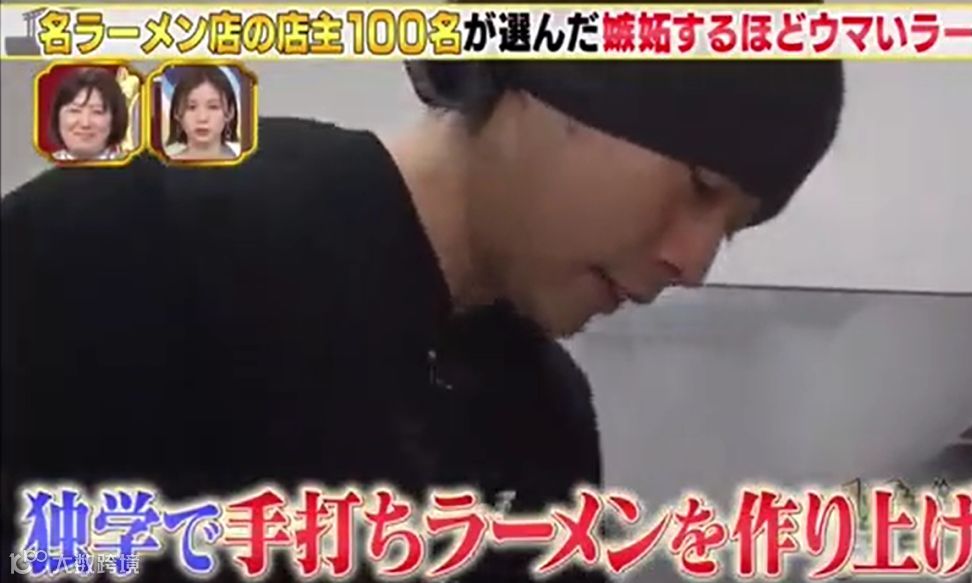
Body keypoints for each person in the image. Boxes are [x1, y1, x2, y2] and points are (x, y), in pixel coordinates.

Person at [2, 57, 844, 581]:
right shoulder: (131, 241)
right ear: (554, 86)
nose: (694, 261)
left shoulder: (546, 418)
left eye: (732, 229)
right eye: (700, 185)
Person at [47, 66, 128, 162]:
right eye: (75, 110)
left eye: (97, 112)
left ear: (115, 118)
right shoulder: (42, 167)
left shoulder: (134, 168)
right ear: (58, 117)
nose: (85, 123)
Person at [163, 66, 241, 161]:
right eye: (191, 107)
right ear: (176, 112)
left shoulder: (244, 159)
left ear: (230, 111)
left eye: (213, 107)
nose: (202, 118)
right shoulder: (164, 163)